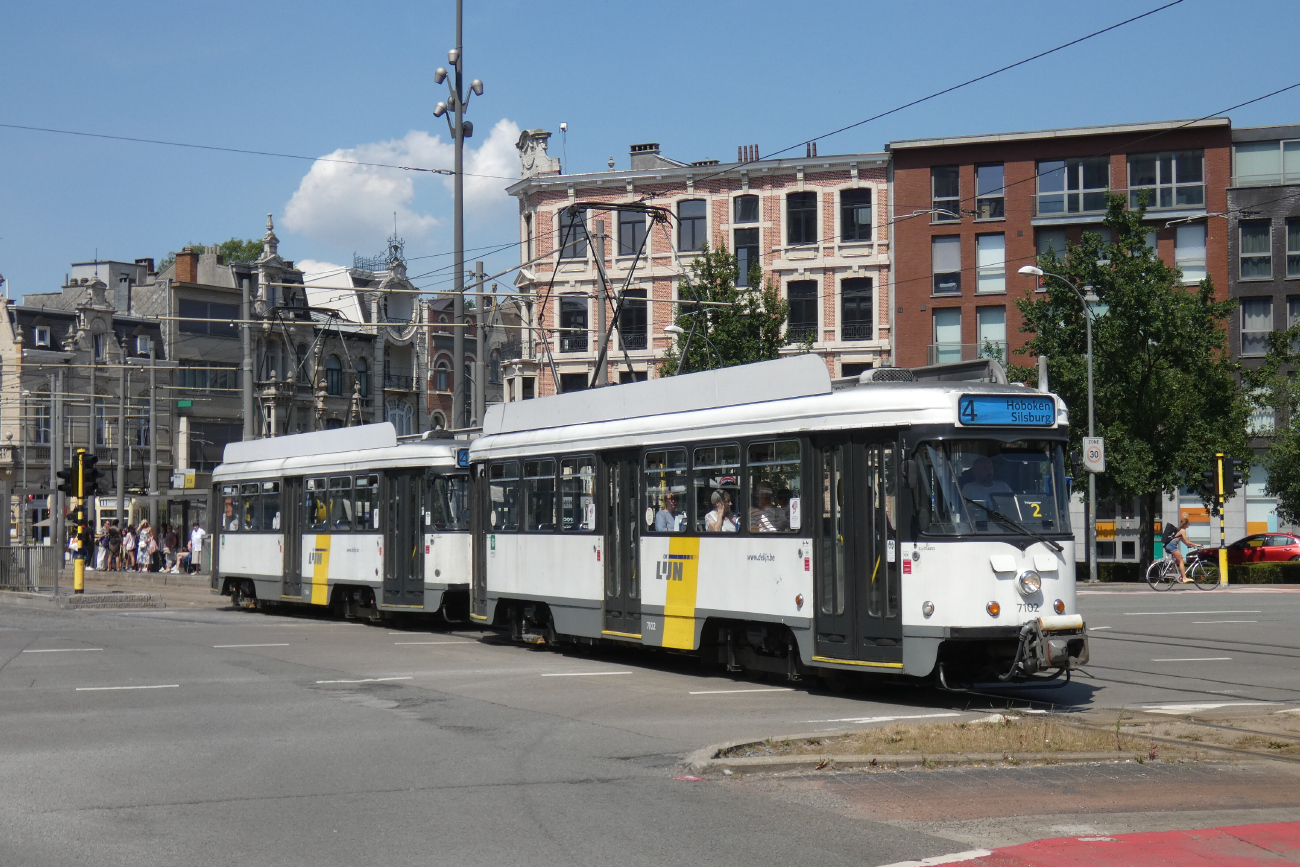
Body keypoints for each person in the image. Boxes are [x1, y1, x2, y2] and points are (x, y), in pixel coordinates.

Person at [1165, 518, 1194, 583]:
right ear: (1186, 524)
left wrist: (1189, 545)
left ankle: (1170, 570)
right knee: (1181, 560)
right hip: (1172, 546)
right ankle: (1184, 577)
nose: (1189, 525)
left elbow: (1184, 541)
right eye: (1188, 524)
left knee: (1178, 560)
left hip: (1169, 545)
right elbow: (1187, 541)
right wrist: (1197, 545)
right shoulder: (1183, 530)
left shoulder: (1179, 530)